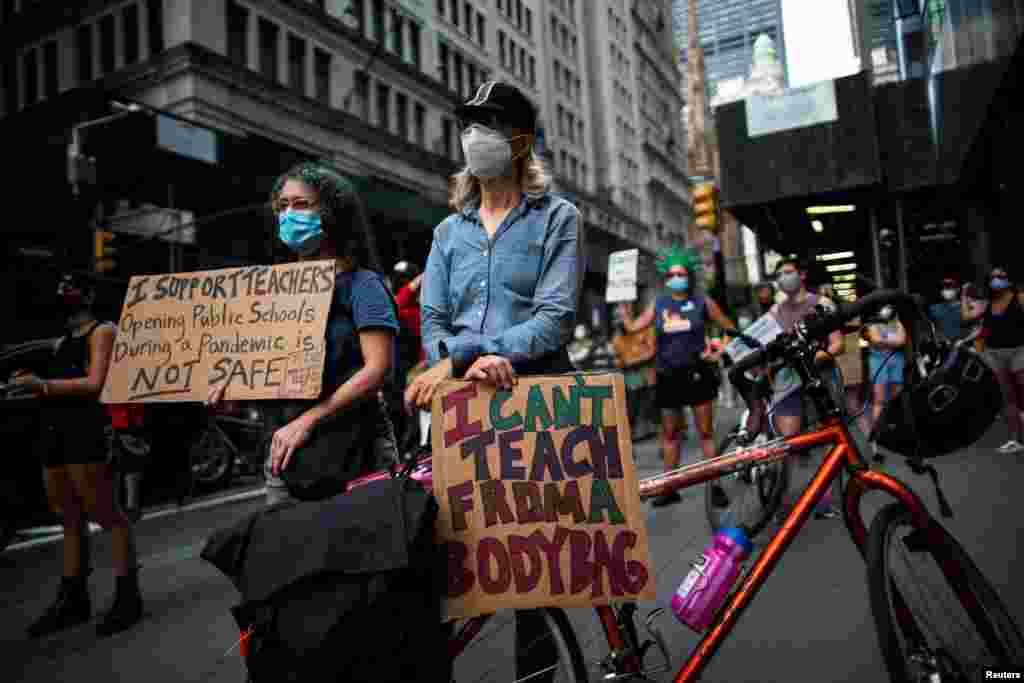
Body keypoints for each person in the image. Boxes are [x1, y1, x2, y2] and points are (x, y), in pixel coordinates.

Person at [403, 79, 582, 678]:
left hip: (534, 403)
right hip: (460, 411)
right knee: (451, 554)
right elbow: (431, 317)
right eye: (471, 124)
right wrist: (458, 361)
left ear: (521, 141)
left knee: (534, 564)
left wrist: (465, 353)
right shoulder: (445, 234)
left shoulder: (559, 218)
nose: (475, 137)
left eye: (492, 124)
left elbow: (554, 319)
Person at [209, 162, 400, 505]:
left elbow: (377, 369)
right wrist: (234, 384)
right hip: (284, 453)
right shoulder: (272, 291)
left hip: (355, 449)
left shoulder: (362, 285)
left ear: (331, 213)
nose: (289, 214)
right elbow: (269, 364)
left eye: (301, 204)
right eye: (282, 206)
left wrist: (310, 419)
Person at [16, 273, 144, 638]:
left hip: (87, 431)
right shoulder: (62, 340)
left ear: (87, 296)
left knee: (106, 513)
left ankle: (127, 595)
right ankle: (73, 597)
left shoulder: (102, 331)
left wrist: (42, 386)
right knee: (67, 514)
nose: (64, 296)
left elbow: (96, 382)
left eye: (71, 290)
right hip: (55, 432)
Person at [620, 244, 740, 507]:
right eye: (671, 275)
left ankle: (715, 485)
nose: (676, 279)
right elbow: (632, 328)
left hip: (698, 373)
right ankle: (669, 488)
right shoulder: (659, 303)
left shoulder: (702, 302)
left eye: (681, 274)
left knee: (706, 432)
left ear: (689, 276)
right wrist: (624, 312)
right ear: (666, 279)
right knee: (671, 434)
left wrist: (719, 348)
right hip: (667, 376)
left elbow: (730, 328)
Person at [964, 266, 1024, 454]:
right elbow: (968, 317)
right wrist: (964, 295)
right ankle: (1016, 439)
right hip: (994, 353)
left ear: (1008, 279)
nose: (997, 279)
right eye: (994, 277)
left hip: (1018, 351)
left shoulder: (1020, 298)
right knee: (1007, 398)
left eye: (1001, 276)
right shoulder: (988, 303)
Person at [863, 303, 907, 463]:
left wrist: (885, 341)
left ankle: (893, 431)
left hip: (896, 360)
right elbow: (876, 340)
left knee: (896, 398)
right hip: (878, 361)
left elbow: (902, 340)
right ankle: (875, 442)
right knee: (879, 400)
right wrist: (890, 341)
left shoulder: (897, 322)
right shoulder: (872, 324)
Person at [392, 260, 426, 452]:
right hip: (408, 373)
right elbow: (397, 303)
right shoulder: (402, 311)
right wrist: (418, 280)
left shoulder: (422, 309)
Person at [928, 277, 964, 341]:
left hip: (962, 345)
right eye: (943, 287)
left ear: (958, 289)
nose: (945, 290)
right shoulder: (934, 308)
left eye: (949, 286)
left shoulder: (965, 308)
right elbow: (931, 328)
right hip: (942, 345)